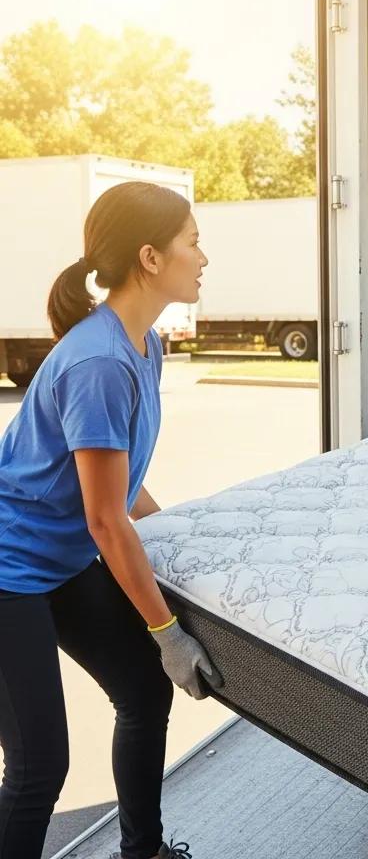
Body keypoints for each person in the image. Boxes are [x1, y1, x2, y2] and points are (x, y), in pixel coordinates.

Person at [0, 181, 223, 859]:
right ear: (151, 258)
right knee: (39, 763)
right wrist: (167, 631)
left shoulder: (142, 345)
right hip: (9, 568)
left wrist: (181, 532)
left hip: (57, 560)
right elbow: (105, 519)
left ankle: (143, 851)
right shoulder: (99, 361)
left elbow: (120, 489)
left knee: (141, 687)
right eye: (193, 243)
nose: (204, 258)